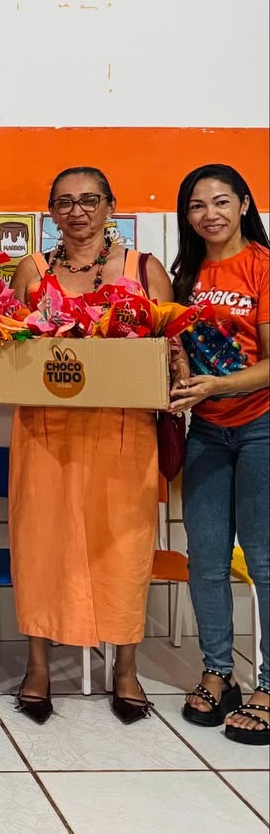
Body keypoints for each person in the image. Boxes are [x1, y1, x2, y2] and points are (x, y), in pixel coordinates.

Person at [10, 167, 173, 725]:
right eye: (64, 202)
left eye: (88, 200)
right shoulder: (32, 270)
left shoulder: (144, 269)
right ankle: (37, 667)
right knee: (39, 545)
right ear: (50, 212)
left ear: (110, 205)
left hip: (122, 432)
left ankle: (125, 670)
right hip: (44, 430)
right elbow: (9, 348)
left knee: (122, 549)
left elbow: (168, 350)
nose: (76, 211)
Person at [170, 164, 269, 745]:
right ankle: (218, 673)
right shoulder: (186, 274)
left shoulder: (262, 265)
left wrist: (217, 386)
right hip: (206, 431)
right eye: (197, 205)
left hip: (261, 428)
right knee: (204, 560)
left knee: (263, 561)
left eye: (221, 201)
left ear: (244, 205)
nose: (209, 214)